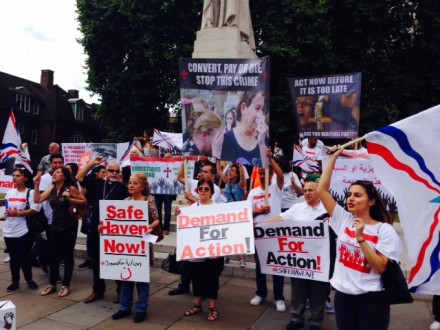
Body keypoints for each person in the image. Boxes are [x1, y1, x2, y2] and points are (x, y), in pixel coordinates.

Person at [317, 145, 402, 330]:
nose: (350, 198)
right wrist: (333, 158)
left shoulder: (385, 231)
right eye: (349, 195)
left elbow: (380, 267)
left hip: (372, 301)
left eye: (357, 195)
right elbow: (322, 191)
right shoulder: (343, 219)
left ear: (371, 202)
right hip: (343, 298)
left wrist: (361, 238)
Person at [262, 180, 330, 330]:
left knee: (318, 293)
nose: (307, 193)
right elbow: (281, 218)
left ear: (319, 192)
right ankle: (297, 318)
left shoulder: (328, 209)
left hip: (319, 260)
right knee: (298, 290)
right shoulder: (297, 208)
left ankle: (315, 322)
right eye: (305, 190)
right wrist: (261, 224)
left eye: (311, 190)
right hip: (300, 258)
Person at [76, 157, 130, 304]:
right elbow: (79, 177)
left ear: (120, 174)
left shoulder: (124, 190)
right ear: (105, 172)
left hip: (115, 232)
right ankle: (98, 290)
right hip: (96, 229)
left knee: (116, 261)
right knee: (97, 261)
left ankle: (120, 291)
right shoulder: (98, 184)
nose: (114, 173)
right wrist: (92, 163)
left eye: (117, 171)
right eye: (111, 170)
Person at [169, 160, 223, 295]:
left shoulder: (215, 189)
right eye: (201, 171)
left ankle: (203, 290)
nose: (202, 173)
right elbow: (180, 177)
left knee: (202, 264)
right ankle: (184, 284)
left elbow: (207, 206)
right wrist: (183, 161)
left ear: (213, 175)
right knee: (188, 260)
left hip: (206, 230)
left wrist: (191, 197)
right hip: (192, 227)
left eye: (205, 171)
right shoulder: (194, 183)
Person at [111, 173, 160, 323]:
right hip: (127, 245)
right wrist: (105, 228)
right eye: (130, 183)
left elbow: (157, 220)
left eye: (135, 183)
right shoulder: (125, 201)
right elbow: (118, 223)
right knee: (126, 277)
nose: (131, 185)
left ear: (142, 186)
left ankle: (141, 308)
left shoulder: (148, 200)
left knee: (142, 280)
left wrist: (148, 227)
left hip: (142, 244)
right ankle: (125, 307)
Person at [174, 178, 224, 321]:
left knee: (212, 279)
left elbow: (222, 230)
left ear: (211, 192)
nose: (202, 191)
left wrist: (218, 250)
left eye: (206, 189)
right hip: (196, 251)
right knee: (196, 278)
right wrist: (178, 214)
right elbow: (185, 224)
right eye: (200, 189)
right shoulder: (192, 208)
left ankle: (212, 307)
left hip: (213, 250)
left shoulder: (217, 208)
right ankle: (197, 305)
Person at [34, 167, 87, 298]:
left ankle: (65, 285)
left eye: (58, 172)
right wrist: (36, 184)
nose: (55, 174)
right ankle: (52, 283)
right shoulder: (52, 188)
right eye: (54, 172)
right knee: (53, 255)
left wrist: (70, 198)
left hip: (69, 226)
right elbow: (38, 199)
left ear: (64, 176)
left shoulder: (71, 188)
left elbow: (84, 202)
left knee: (67, 255)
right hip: (55, 225)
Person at [248, 149, 286, 312]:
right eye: (261, 174)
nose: (263, 176)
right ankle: (261, 293)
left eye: (266, 174)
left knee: (276, 266)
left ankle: (279, 297)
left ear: (271, 175)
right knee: (260, 266)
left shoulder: (276, 189)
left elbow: (281, 175)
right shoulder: (253, 193)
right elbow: (247, 213)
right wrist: (258, 212)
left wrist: (270, 159)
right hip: (258, 234)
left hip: (274, 233)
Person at [3, 167, 39, 292]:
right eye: (14, 175)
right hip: (9, 230)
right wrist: (5, 214)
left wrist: (18, 213)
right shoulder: (9, 192)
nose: (14, 177)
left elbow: (34, 210)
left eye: (18, 175)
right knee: (13, 258)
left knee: (24, 256)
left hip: (23, 230)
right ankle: (15, 281)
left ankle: (29, 279)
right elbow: (6, 209)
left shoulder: (30, 192)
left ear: (25, 178)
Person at [214, 91, 269, 168]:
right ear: (243, 108)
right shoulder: (226, 139)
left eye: (262, 110)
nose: (261, 114)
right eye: (257, 108)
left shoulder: (263, 139)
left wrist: (262, 144)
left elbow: (268, 174)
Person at [217, 161, 247, 266]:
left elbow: (243, 177)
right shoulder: (227, 182)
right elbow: (219, 171)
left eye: (233, 171)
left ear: (237, 174)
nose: (230, 172)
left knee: (238, 237)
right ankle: (226, 256)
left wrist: (241, 167)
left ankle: (242, 259)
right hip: (227, 213)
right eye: (230, 170)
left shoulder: (240, 185)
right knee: (226, 235)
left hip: (237, 214)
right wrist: (217, 158)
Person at [153, 153, 176, 235]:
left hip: (169, 191)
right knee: (157, 210)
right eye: (165, 157)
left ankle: (166, 228)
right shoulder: (158, 165)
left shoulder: (174, 167)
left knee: (168, 210)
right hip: (158, 191)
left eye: (169, 157)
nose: (166, 158)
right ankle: (159, 227)